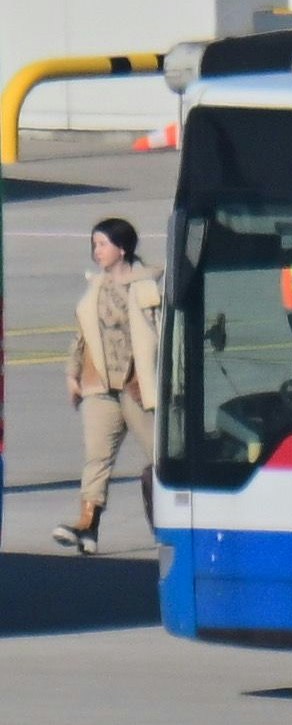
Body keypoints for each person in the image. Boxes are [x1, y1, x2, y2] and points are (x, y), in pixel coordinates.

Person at [53, 218, 162, 555]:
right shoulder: (96, 287)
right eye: (94, 244)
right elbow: (82, 335)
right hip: (99, 384)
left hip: (137, 387)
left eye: (102, 244)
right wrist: (73, 373)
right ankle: (87, 526)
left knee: (161, 457)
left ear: (122, 248)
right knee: (96, 457)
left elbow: (166, 334)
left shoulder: (149, 286)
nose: (96, 251)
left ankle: (168, 523)